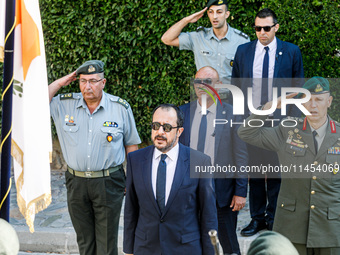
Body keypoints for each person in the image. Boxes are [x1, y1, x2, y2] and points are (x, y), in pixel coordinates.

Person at [238, 76, 340, 255]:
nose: (313, 105)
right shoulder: (287, 130)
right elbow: (246, 132)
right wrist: (268, 108)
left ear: (329, 101)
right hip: (291, 226)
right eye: (307, 100)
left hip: (330, 229)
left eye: (319, 99)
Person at [49, 60, 141, 255]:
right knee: (84, 241)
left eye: (93, 81)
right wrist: (59, 83)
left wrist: (132, 178)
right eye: (83, 81)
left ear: (103, 82)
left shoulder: (120, 108)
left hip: (109, 182)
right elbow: (34, 103)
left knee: (107, 243)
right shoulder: (64, 104)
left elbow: (131, 145)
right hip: (76, 182)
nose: (87, 86)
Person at [231, 8, 304, 236]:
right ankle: (257, 219)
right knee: (254, 171)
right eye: (257, 28)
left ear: (276, 28)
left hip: (279, 122)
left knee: (275, 173)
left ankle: (273, 220)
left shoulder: (291, 51)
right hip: (251, 121)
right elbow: (236, 87)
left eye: (266, 28)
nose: (261, 33)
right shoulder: (244, 51)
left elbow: (298, 89)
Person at [123, 104, 218, 255]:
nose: (159, 132)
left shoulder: (200, 162)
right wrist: (128, 250)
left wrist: (210, 252)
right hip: (145, 248)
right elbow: (131, 209)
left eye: (166, 127)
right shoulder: (135, 159)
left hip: (185, 249)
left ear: (179, 131)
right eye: (155, 126)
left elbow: (208, 214)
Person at [179, 66, 248, 255]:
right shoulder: (182, 113)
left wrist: (241, 192)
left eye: (207, 81)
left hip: (222, 194)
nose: (201, 86)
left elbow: (241, 155)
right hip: (188, 191)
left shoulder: (233, 113)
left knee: (228, 245)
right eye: (197, 81)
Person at [161, 0, 249, 87]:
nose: (214, 16)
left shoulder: (241, 40)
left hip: (231, 96)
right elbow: (166, 39)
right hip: (205, 95)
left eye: (219, 12)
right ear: (207, 14)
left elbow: (247, 74)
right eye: (211, 12)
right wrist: (186, 20)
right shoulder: (199, 37)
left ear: (227, 14)